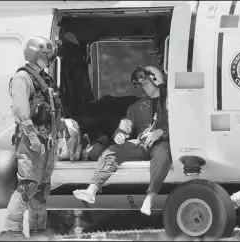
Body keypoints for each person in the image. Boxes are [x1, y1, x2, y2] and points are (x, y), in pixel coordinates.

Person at [73, 65, 172, 216]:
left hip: (162, 144)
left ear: (156, 80)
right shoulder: (139, 105)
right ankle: (91, 190)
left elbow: (182, 125)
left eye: (146, 84)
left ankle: (150, 198)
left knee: (163, 156)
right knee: (112, 151)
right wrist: (120, 132)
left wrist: (161, 132)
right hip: (142, 144)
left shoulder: (172, 102)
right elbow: (127, 121)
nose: (143, 88)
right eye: (141, 85)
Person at [4, 36, 66, 239]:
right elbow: (21, 111)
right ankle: (13, 232)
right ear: (36, 53)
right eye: (46, 54)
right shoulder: (23, 78)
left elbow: (54, 111)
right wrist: (32, 136)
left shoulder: (45, 80)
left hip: (47, 141)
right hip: (32, 141)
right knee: (27, 187)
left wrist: (59, 137)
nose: (49, 58)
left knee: (41, 189)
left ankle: (39, 232)